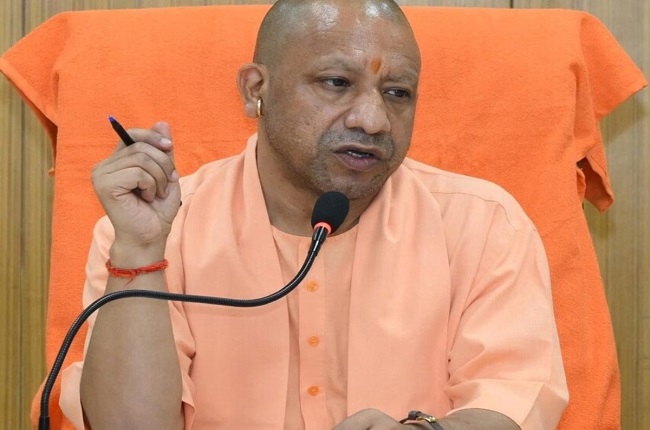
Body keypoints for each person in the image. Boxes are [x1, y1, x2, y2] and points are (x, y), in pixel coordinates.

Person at [61, 0, 568, 428]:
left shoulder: (482, 224)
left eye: (397, 93)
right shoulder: (157, 230)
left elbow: (511, 401)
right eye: (336, 82)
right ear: (255, 89)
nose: (373, 120)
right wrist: (141, 250)